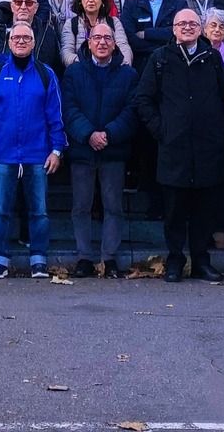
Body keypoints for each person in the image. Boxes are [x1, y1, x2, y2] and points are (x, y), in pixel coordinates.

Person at [132, 8, 224, 281]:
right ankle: (175, 260)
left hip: (207, 148)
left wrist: (220, 131)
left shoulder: (212, 58)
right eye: (181, 23)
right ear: (173, 29)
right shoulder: (160, 58)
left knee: (203, 208)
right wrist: (161, 130)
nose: (187, 27)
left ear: (200, 28)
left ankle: (202, 261)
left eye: (192, 23)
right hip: (173, 147)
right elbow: (143, 99)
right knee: (174, 210)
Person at [0, 21, 66, 279]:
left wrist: (57, 150)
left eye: (26, 38)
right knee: (0, 211)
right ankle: (0, 260)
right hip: (3, 154)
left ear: (33, 42)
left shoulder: (46, 74)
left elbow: (55, 115)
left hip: (37, 154)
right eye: (16, 37)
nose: (20, 41)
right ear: (8, 42)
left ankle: (38, 260)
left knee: (39, 211)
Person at [64, 20, 137, 277]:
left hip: (113, 150)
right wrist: (89, 134)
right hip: (83, 150)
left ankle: (110, 258)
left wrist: (109, 134)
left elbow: (132, 110)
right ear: (88, 42)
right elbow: (69, 108)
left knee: (113, 206)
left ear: (115, 43)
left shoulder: (127, 74)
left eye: (107, 38)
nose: (102, 42)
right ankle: (84, 257)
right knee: (81, 206)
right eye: (97, 38)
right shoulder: (74, 72)